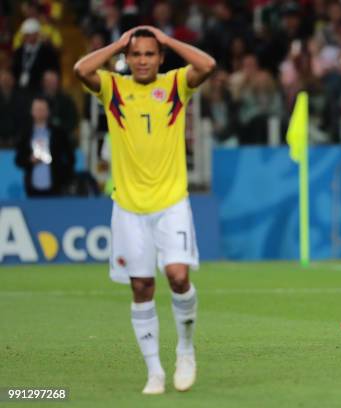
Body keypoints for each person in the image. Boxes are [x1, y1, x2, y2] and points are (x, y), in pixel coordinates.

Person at [74, 26, 216, 394]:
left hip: (171, 203)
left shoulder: (175, 85)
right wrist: (117, 44)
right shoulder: (112, 88)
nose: (142, 60)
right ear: (127, 57)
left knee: (178, 277)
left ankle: (185, 350)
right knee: (141, 286)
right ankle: (154, 371)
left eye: (150, 54)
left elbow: (208, 64)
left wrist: (168, 39)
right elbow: (80, 70)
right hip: (128, 208)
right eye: (136, 54)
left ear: (160, 57)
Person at [14, 96, 74, 197]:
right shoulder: (26, 134)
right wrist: (30, 160)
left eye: (42, 109)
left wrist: (62, 176)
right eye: (37, 109)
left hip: (56, 189)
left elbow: (70, 158)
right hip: (32, 189)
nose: (40, 112)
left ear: (48, 112)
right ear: (32, 111)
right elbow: (18, 159)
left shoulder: (59, 133)